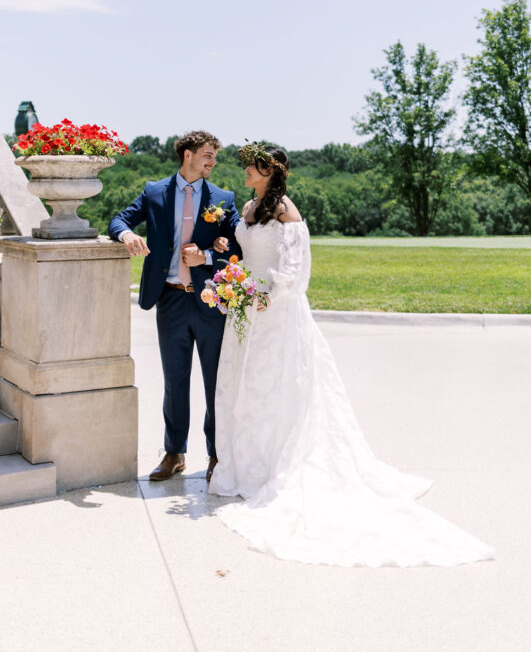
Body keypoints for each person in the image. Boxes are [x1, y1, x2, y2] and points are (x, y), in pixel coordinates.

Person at [209, 141, 494, 567]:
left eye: (252, 166)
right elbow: (249, 254)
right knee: (246, 387)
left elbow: (294, 274)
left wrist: (263, 295)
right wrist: (228, 262)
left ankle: (274, 468)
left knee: (277, 388)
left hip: (275, 313)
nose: (245, 170)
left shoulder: (286, 210)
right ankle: (246, 465)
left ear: (271, 170)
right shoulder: (249, 208)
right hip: (246, 311)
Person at [109, 130, 241, 482]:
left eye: (214, 156)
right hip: (168, 299)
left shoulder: (224, 198)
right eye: (208, 154)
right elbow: (119, 219)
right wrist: (127, 235)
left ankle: (216, 455)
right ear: (188, 154)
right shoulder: (155, 192)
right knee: (175, 381)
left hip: (210, 302)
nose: (213, 161)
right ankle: (174, 453)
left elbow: (239, 245)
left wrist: (208, 255)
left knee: (215, 382)